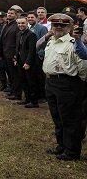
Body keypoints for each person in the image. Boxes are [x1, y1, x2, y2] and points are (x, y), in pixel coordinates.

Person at [37, 13, 87, 161]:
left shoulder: (73, 43)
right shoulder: (51, 41)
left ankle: (72, 151)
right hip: (51, 82)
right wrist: (47, 36)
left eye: (62, 25)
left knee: (70, 119)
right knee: (57, 117)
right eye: (55, 25)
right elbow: (37, 47)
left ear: (70, 27)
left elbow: (83, 66)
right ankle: (61, 146)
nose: (58, 27)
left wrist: (78, 84)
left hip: (67, 84)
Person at [15, 16, 39, 108]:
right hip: (20, 61)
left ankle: (34, 101)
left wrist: (28, 62)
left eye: (23, 23)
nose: (21, 25)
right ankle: (27, 99)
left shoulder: (31, 35)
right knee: (23, 81)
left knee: (31, 82)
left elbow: (32, 50)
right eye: (19, 23)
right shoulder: (19, 34)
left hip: (29, 63)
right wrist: (16, 59)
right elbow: (18, 48)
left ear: (26, 24)